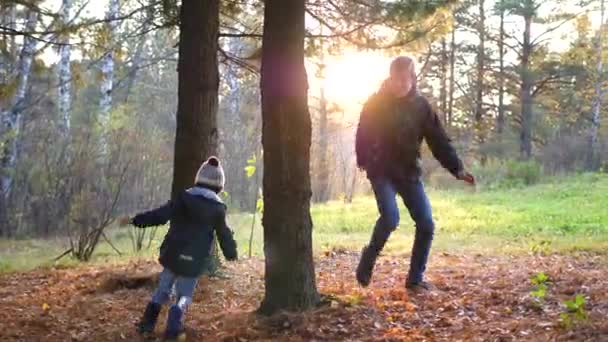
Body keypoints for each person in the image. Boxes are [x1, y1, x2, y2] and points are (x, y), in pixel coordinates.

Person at [355, 56, 475, 291]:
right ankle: (368, 258)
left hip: (408, 172)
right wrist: (364, 160)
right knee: (390, 218)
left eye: (404, 79)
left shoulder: (421, 107)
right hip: (381, 171)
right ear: (389, 78)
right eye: (395, 79)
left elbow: (438, 140)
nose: (400, 84)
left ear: (412, 79)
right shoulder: (375, 103)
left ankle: (415, 280)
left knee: (426, 223)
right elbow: (362, 134)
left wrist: (457, 169)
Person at [122, 156, 238, 339]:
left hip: (173, 255)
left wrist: (138, 220)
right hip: (194, 260)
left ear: (198, 179)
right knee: (184, 296)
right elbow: (224, 233)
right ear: (219, 185)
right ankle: (173, 329)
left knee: (162, 290)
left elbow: (161, 215)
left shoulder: (183, 198)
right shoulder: (218, 208)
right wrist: (231, 253)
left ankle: (146, 326)